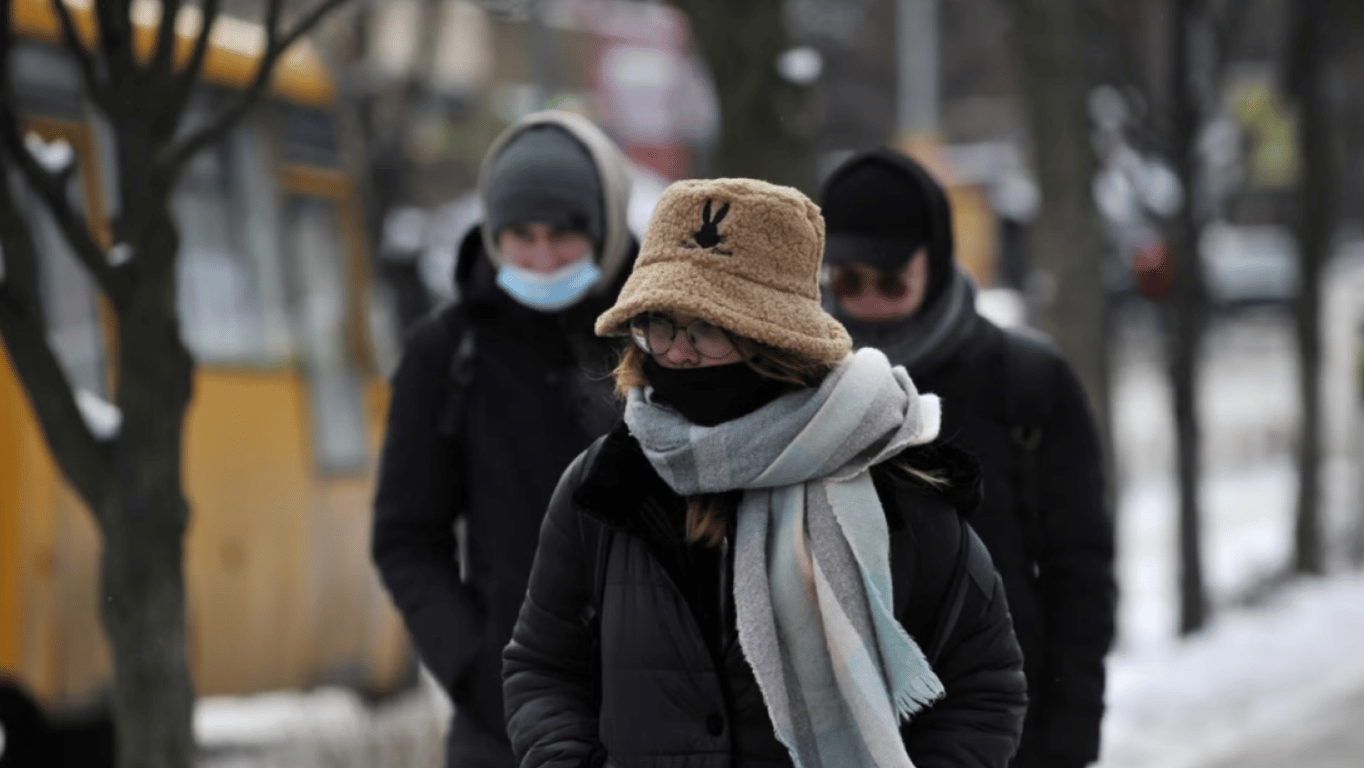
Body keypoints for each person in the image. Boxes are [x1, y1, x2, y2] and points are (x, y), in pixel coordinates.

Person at [503, 178, 1027, 768]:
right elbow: (542, 668)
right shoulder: (602, 484)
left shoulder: (888, 481)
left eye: (706, 328)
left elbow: (984, 683)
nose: (675, 353)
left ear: (774, 344)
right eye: (658, 324)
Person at [819, 148, 1117, 768]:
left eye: (891, 281)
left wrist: (1068, 739)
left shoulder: (1024, 383)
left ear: (936, 259)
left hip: (1009, 735)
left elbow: (1079, 575)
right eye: (846, 281)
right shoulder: (800, 391)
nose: (867, 304)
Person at [371, 110, 639, 768]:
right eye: (522, 235)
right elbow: (407, 538)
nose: (542, 259)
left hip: (655, 719)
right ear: (493, 233)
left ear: (603, 230)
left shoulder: (662, 338)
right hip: (504, 731)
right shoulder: (447, 353)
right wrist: (476, 668)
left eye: (564, 236)